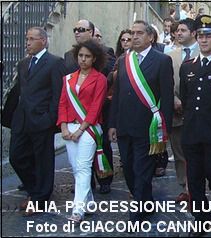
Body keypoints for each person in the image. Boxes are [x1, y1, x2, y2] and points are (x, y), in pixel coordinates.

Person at [108, 20, 174, 222]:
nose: (134, 37)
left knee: (142, 169)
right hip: (125, 125)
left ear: (150, 37)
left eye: (139, 33)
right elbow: (117, 93)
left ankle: (137, 210)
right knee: (127, 167)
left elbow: (167, 97)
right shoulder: (124, 59)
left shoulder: (162, 61)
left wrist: (165, 129)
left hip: (148, 126)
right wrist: (112, 123)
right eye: (132, 33)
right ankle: (146, 200)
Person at [177, 15, 211, 235]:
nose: (203, 40)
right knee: (195, 177)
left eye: (208, 35)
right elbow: (186, 97)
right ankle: (201, 218)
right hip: (192, 131)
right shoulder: (188, 66)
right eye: (200, 35)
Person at [11, 27, 65, 216]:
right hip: (22, 120)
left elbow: (58, 94)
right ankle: (35, 190)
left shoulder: (55, 63)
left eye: (32, 39)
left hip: (42, 121)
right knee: (16, 156)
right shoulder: (23, 63)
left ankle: (40, 199)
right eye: (27, 39)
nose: (27, 42)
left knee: (43, 161)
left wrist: (50, 119)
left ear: (43, 41)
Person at [57, 40, 108, 222]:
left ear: (94, 59)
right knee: (75, 167)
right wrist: (63, 126)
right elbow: (62, 103)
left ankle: (77, 210)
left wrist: (81, 129)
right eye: (80, 56)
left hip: (89, 128)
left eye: (87, 56)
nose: (83, 59)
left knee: (84, 166)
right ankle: (89, 203)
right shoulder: (68, 78)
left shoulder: (100, 79)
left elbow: (96, 107)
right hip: (69, 126)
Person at [164, 18, 199, 201]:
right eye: (177, 30)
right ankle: (185, 187)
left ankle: (198, 187)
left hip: (198, 114)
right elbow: (166, 82)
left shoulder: (206, 51)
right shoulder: (170, 55)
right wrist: (174, 99)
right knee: (179, 152)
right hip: (176, 111)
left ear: (193, 33)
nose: (178, 33)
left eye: (183, 30)